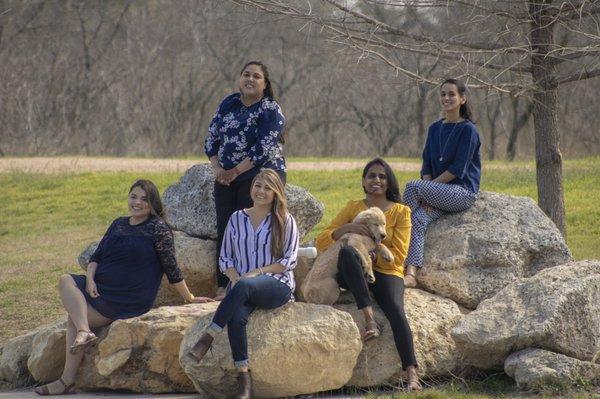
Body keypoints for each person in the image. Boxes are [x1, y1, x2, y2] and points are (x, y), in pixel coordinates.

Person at [34, 179, 212, 396]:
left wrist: (189, 297)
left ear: (153, 203)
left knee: (75, 316)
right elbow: (96, 257)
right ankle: (83, 335)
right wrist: (89, 280)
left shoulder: (158, 228)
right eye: (133, 197)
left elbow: (171, 268)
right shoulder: (118, 223)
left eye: (144, 199)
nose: (137, 202)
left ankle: (66, 379)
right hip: (100, 287)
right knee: (65, 280)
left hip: (127, 297)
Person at [187, 169, 299, 399]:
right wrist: (237, 279)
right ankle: (244, 379)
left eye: (268, 188)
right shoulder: (237, 218)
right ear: (251, 187)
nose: (261, 191)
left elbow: (288, 261)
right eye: (258, 185)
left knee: (246, 286)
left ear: (276, 192)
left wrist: (256, 273)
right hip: (242, 287)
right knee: (237, 317)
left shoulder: (285, 220)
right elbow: (225, 259)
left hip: (276, 285)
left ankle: (208, 336)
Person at [315, 158, 421, 391]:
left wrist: (371, 254)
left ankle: (411, 372)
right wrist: (348, 228)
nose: (376, 180)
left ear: (389, 181)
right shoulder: (354, 208)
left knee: (395, 309)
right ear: (363, 181)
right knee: (347, 253)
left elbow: (400, 253)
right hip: (354, 272)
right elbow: (322, 240)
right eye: (371, 176)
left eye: (382, 176)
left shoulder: (401, 212)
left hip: (385, 271)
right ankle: (370, 320)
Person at [204, 61, 287, 300]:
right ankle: (224, 284)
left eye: (256, 76)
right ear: (240, 78)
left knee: (245, 226)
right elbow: (211, 138)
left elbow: (263, 148)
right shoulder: (229, 103)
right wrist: (218, 168)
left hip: (259, 173)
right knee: (226, 226)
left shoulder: (270, 109)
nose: (250, 79)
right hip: (226, 175)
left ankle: (244, 284)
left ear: (265, 83)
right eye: (246, 75)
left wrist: (235, 172)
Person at [403, 78, 481, 288]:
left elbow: (458, 169)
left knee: (412, 187)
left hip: (461, 193)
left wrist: (428, 191)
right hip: (438, 194)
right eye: (443, 94)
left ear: (462, 99)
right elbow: (427, 165)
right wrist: (430, 190)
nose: (446, 98)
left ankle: (396, 235)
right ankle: (410, 274)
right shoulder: (434, 128)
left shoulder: (468, 131)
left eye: (451, 94)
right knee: (418, 218)